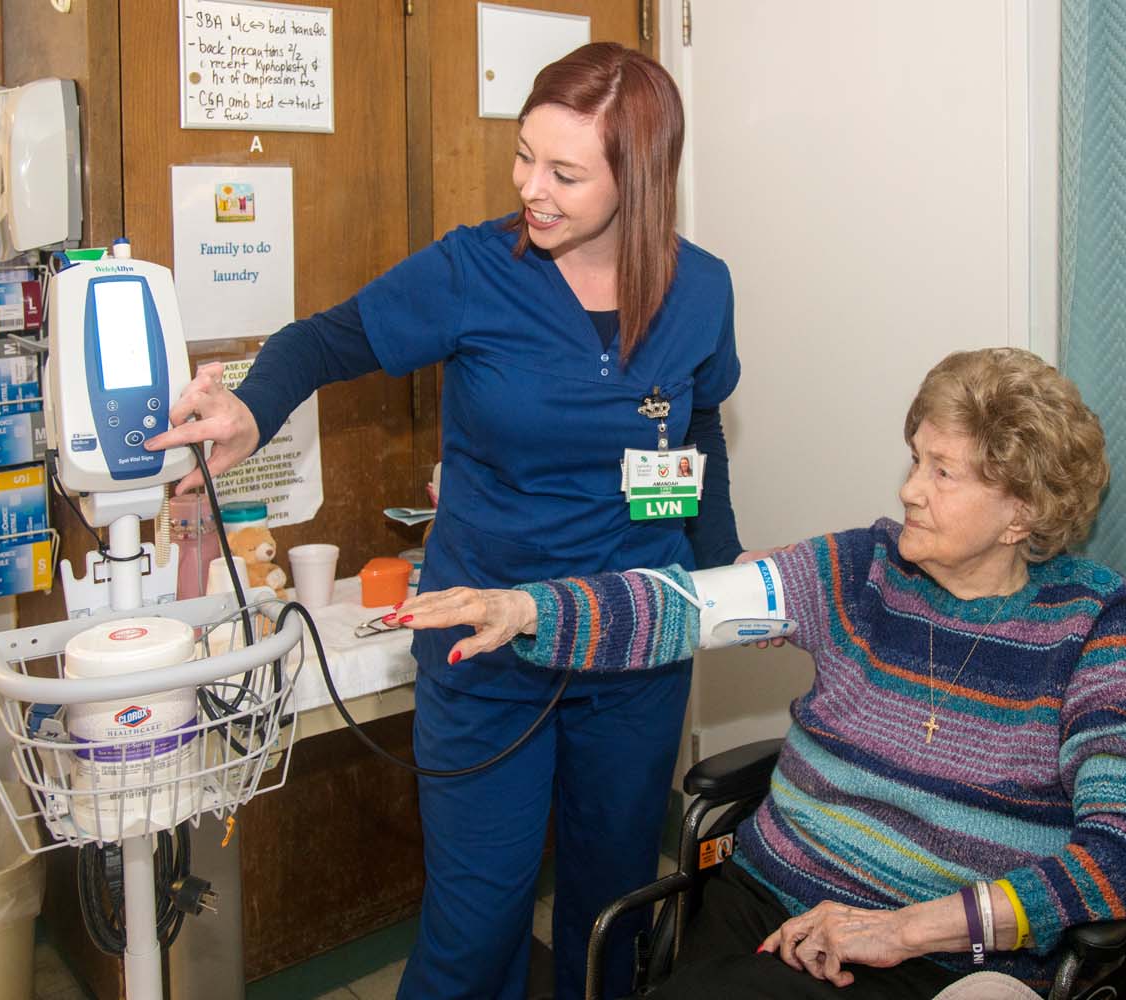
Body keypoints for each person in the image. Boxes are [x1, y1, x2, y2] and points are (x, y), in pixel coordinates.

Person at [146, 43, 745, 1000]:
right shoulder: (474, 270)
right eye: (523, 158)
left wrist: (721, 579)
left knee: (611, 916)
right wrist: (250, 411)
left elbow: (700, 422)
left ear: (640, 177)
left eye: (563, 172)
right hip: (485, 647)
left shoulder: (699, 287)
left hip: (632, 646)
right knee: (475, 932)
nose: (530, 189)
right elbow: (323, 339)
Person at [394, 348, 1126, 998]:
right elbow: (684, 607)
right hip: (762, 905)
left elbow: (1124, 856)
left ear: (1022, 511)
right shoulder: (859, 570)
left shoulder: (1091, 621)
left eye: (943, 473)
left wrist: (904, 928)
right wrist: (529, 612)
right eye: (914, 459)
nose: (908, 489)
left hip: (934, 958)